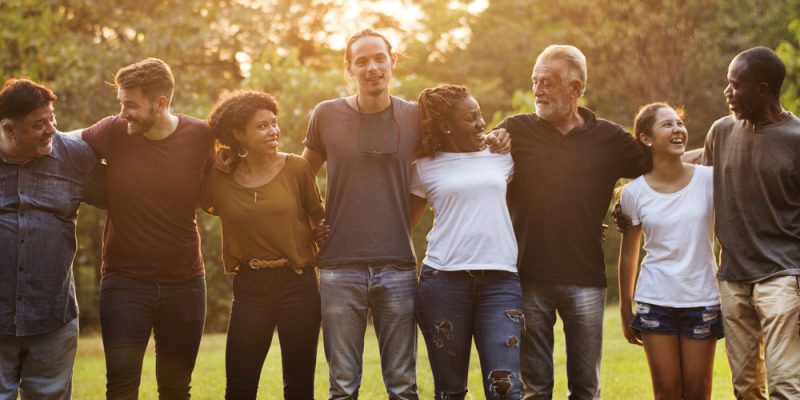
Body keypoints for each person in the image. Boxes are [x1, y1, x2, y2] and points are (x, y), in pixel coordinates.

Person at [494, 45, 647, 399]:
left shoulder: (608, 138)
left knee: (586, 388)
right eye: (535, 82)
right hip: (528, 277)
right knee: (535, 388)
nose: (538, 90)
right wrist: (491, 140)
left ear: (575, 88)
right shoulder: (515, 130)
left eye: (547, 82)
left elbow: (662, 167)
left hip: (586, 280)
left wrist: (715, 157)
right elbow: (474, 161)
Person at [81, 58, 213, 399]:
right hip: (125, 283)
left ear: (161, 103)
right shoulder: (113, 131)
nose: (124, 112)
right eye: (122, 104)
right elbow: (62, 144)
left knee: (175, 388)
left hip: (185, 284)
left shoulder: (199, 136)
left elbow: (223, 178)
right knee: (122, 386)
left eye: (131, 105)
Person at [301, 29, 421, 399]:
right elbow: (301, 176)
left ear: (393, 60)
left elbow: (427, 184)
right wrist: (314, 221)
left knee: (403, 385)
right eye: (362, 61)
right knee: (342, 385)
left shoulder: (416, 117)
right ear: (349, 68)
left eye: (379, 58)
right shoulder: (326, 115)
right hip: (339, 267)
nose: (372, 68)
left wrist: (400, 225)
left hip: (399, 266)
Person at [201, 90, 324, 400]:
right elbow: (187, 165)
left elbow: (319, 222)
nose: (273, 131)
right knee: (239, 387)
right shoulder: (218, 177)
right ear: (237, 134)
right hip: (250, 287)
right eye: (262, 126)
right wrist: (215, 156)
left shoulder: (297, 168)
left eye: (273, 123)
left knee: (298, 387)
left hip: (297, 283)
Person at [410, 84, 523, 399]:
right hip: (443, 282)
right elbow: (405, 223)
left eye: (480, 115)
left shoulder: (502, 156)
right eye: (471, 117)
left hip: (500, 282)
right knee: (450, 391)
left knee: (505, 388)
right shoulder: (423, 166)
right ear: (447, 125)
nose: (481, 123)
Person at [702, 47, 800, 399]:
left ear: (762, 89)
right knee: (744, 387)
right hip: (733, 278)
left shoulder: (796, 139)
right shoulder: (720, 132)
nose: (727, 92)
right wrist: (632, 192)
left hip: (783, 277)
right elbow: (691, 178)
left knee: (786, 384)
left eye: (734, 85)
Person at [0, 78, 101, 400]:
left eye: (52, 119)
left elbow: (129, 189)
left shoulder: (75, 157)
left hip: (52, 316)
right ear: (9, 129)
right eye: (39, 124)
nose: (51, 130)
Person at [617, 103, 722, 400]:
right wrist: (625, 308)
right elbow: (629, 253)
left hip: (702, 297)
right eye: (667, 125)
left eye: (680, 123)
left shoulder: (709, 179)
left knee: (698, 392)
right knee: (666, 392)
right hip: (655, 299)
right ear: (646, 138)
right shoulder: (633, 193)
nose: (678, 130)